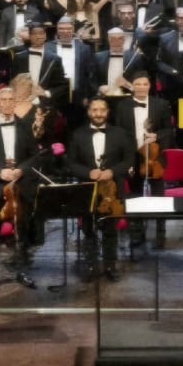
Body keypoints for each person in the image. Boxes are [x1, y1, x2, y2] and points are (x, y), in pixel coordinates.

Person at [0, 87, 39, 291]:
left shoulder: (25, 125)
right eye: (3, 99)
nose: (7, 103)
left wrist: (20, 170)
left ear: (15, 103)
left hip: (19, 186)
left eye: (11, 99)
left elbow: (34, 157)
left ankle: (22, 271)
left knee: (22, 229)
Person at [67, 96, 134, 282]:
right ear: (89, 112)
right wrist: (89, 173)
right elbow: (70, 163)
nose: (98, 114)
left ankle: (110, 265)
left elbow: (129, 160)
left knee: (110, 228)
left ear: (107, 112)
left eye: (102, 110)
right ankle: (90, 264)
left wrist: (112, 171)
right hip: (87, 189)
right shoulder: (77, 134)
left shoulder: (120, 134)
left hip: (113, 189)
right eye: (94, 110)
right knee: (88, 228)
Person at [114, 75, 172, 254]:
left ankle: (161, 237)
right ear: (132, 86)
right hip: (132, 156)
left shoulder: (160, 105)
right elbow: (118, 132)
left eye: (145, 84)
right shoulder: (122, 106)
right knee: (134, 196)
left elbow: (169, 130)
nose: (141, 87)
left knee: (158, 196)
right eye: (137, 84)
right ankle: (136, 237)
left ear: (150, 86)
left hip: (154, 157)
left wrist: (157, 137)